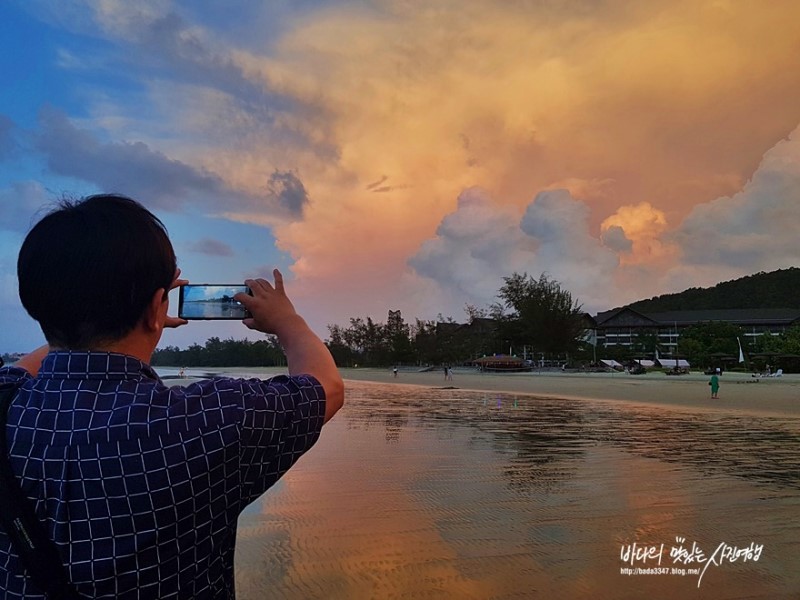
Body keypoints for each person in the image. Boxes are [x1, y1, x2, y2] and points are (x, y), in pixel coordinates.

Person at [0, 194, 344, 599]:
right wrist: (287, 320)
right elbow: (326, 387)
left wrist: (121, 311)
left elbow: (24, 367)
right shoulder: (205, 420)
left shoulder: (8, 400)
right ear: (156, 306)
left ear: (33, 302)